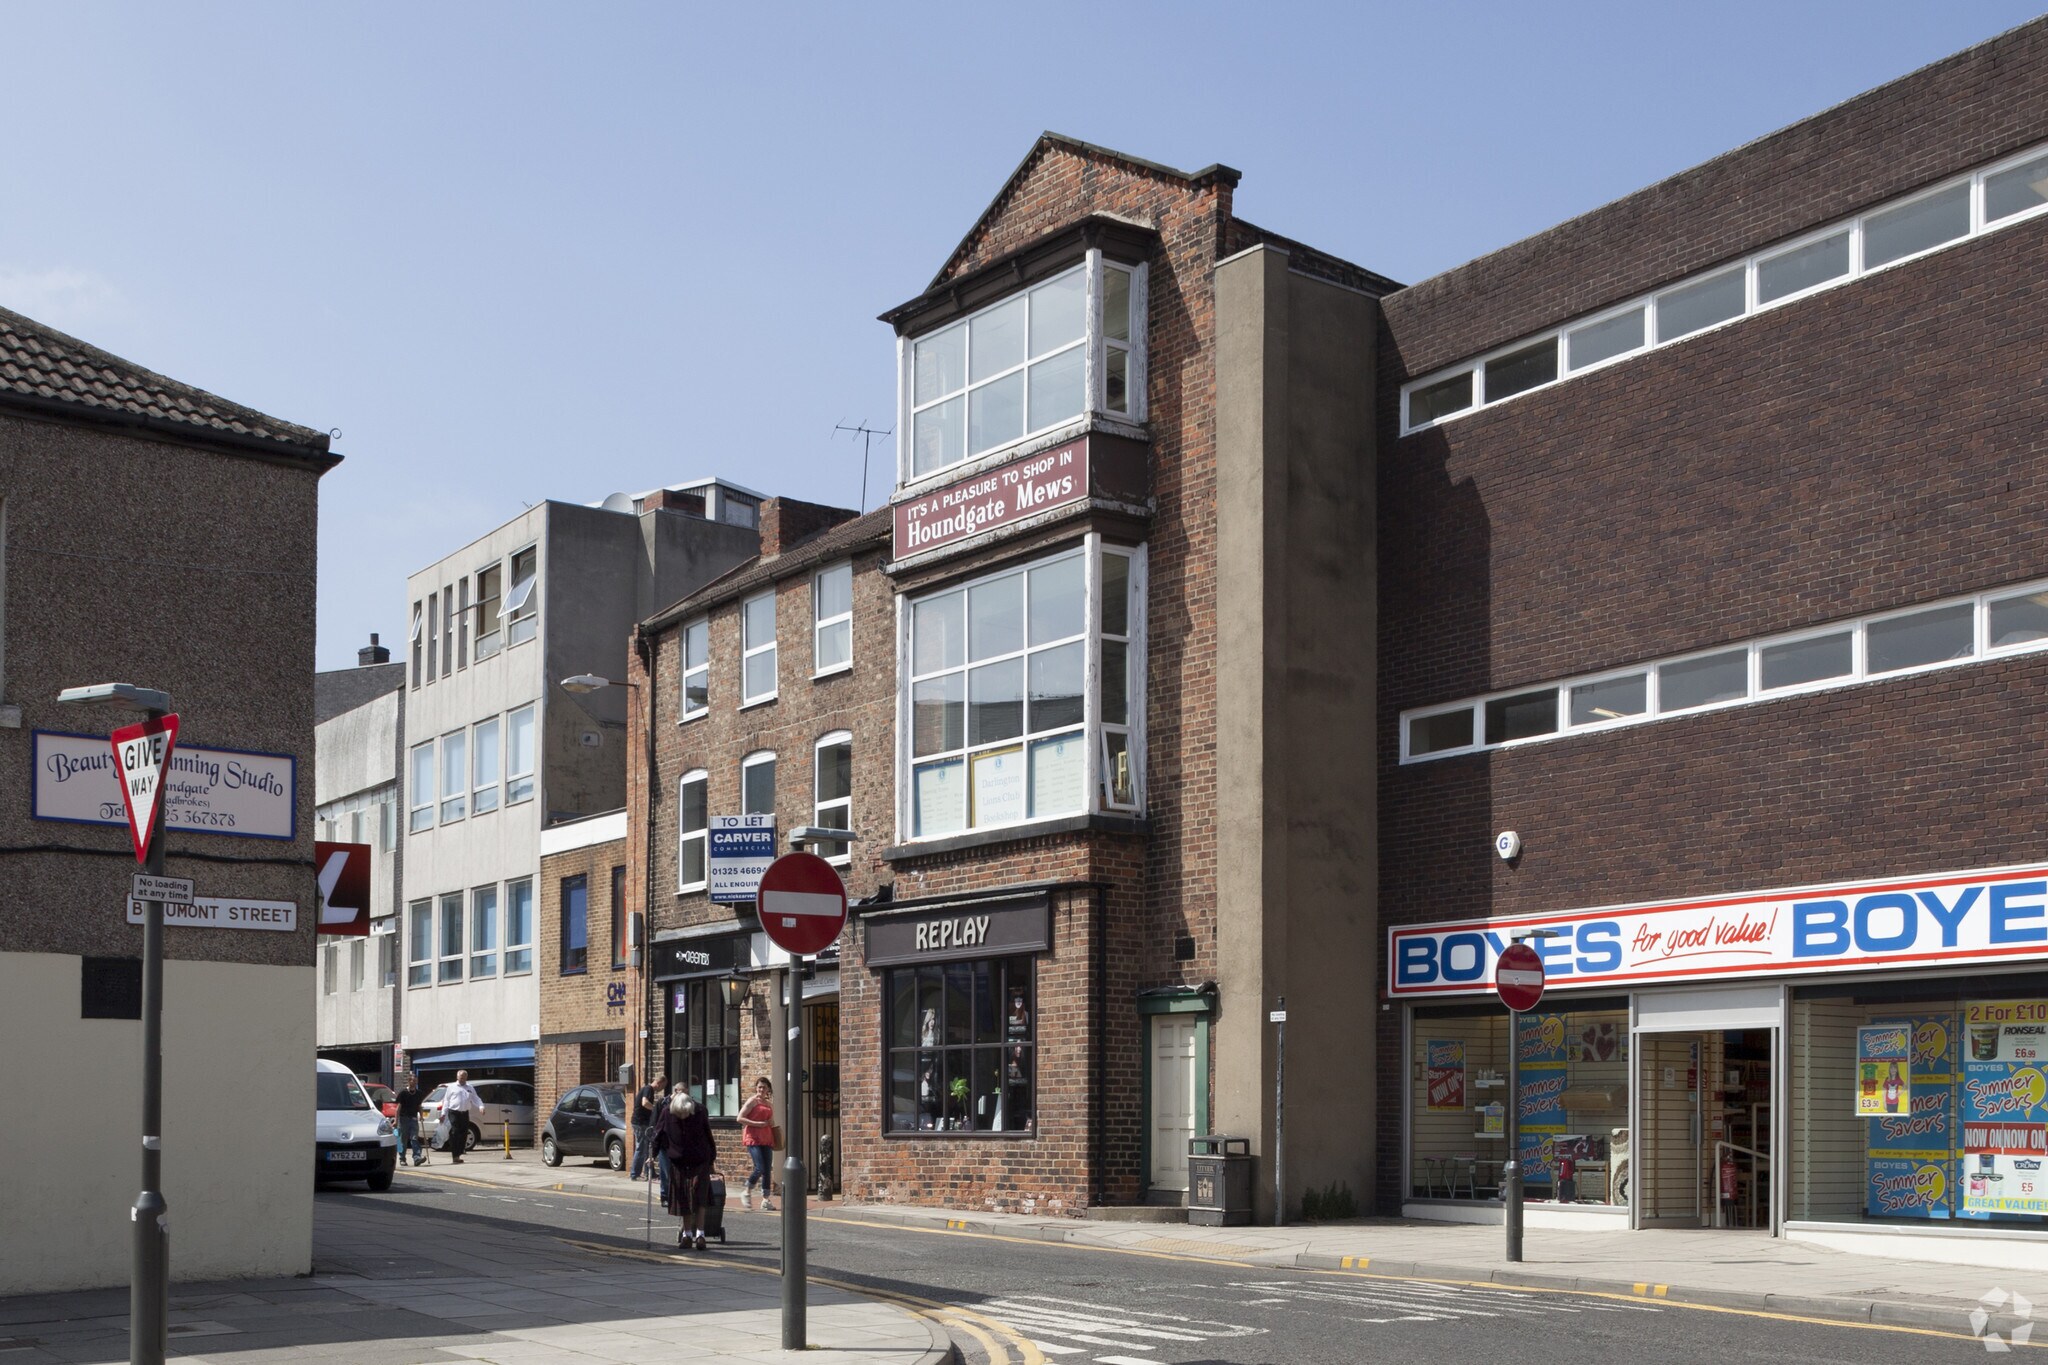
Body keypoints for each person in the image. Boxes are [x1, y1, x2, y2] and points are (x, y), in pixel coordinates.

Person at [652, 1083, 716, 1249]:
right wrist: (652, 1155)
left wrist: (711, 1160)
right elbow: (658, 1134)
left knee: (700, 1197)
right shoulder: (667, 1112)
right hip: (678, 1162)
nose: (682, 1117)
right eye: (679, 1115)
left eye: (685, 1114)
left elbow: (708, 1135)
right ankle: (687, 1235)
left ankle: (700, 1235)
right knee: (682, 1198)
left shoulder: (700, 1111)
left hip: (700, 1159)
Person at [738, 1076, 776, 1211]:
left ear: (768, 1089)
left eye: (764, 1087)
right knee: (759, 1167)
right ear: (756, 1088)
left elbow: (771, 1121)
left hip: (766, 1138)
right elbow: (740, 1118)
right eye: (759, 1087)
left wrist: (770, 1123)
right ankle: (746, 1191)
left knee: (767, 1170)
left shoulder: (769, 1104)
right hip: (753, 1138)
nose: (761, 1089)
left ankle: (765, 1199)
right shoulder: (752, 1101)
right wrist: (757, 1124)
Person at [631, 1073, 666, 1182]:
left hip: (641, 1122)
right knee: (641, 1148)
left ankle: (649, 1173)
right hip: (640, 1123)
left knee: (647, 1148)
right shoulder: (648, 1089)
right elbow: (644, 1102)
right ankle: (635, 1174)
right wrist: (655, 1109)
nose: (662, 1089)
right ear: (659, 1083)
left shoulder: (648, 1089)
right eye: (663, 1086)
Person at [442, 1071, 484, 1164]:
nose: (463, 1079)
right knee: (455, 1131)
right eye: (461, 1077)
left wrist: (481, 1107)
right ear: (457, 1077)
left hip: (464, 1113)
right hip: (454, 1112)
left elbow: (475, 1098)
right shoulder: (451, 1087)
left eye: (464, 1078)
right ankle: (455, 1155)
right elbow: (446, 1101)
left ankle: (459, 1152)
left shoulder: (470, 1088)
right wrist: (443, 1113)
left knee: (464, 1133)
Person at [394, 1074, 426, 1166]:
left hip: (413, 1119)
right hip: (403, 1119)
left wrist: (421, 1116)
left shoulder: (419, 1093)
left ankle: (417, 1158)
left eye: (416, 1081)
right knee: (403, 1140)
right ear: (409, 1081)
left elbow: (419, 1106)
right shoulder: (403, 1093)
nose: (415, 1082)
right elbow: (398, 1108)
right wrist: (396, 1121)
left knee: (414, 1138)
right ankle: (402, 1158)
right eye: (413, 1081)